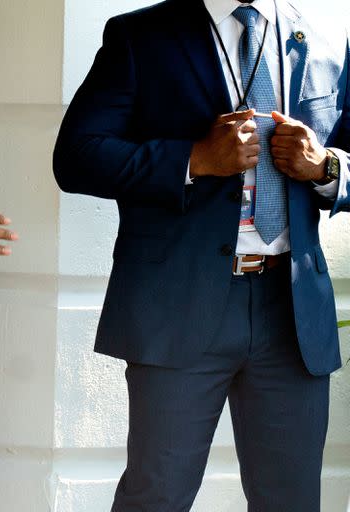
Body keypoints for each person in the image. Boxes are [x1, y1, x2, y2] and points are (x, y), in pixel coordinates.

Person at [54, 0, 348, 510]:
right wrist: (193, 159)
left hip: (293, 315)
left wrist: (324, 167)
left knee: (292, 502)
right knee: (156, 498)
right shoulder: (138, 36)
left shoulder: (328, 38)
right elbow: (76, 157)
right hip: (178, 306)